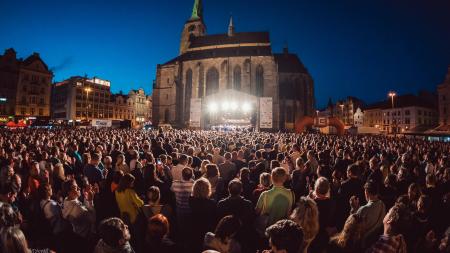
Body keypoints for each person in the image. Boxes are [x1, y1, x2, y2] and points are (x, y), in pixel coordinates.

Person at [350, 180, 386, 248]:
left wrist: (353, 208)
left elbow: (351, 225)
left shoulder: (364, 209)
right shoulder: (382, 204)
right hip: (375, 241)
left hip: (362, 243)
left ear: (366, 192)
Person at [189, 178, 217, 253]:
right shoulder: (212, 203)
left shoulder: (190, 201)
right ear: (208, 189)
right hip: (206, 229)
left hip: (193, 228)